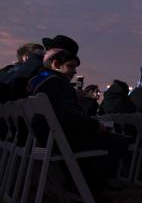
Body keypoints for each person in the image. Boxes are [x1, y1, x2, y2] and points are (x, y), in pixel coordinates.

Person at [27, 36, 127, 194]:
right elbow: (67, 116)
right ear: (55, 64)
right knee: (118, 141)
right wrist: (95, 126)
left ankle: (80, 183)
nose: (74, 72)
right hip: (60, 141)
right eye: (71, 67)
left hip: (45, 139)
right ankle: (91, 187)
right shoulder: (57, 83)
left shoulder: (37, 81)